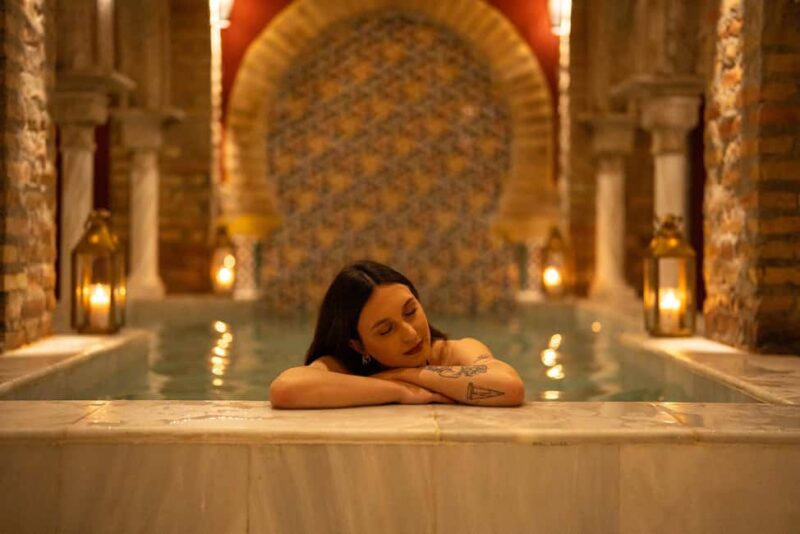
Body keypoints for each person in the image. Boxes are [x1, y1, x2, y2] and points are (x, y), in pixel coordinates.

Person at [270, 260, 524, 408]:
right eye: (386, 329)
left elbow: (510, 387)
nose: (410, 333)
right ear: (358, 345)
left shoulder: (452, 351)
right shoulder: (342, 367)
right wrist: (398, 390)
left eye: (410, 311)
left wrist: (407, 374)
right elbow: (285, 389)